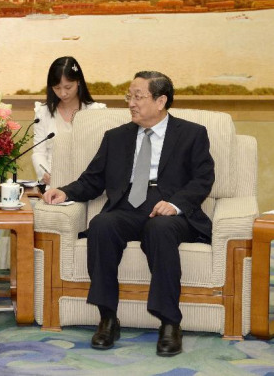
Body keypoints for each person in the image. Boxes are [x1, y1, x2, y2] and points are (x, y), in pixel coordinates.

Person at [43, 71, 215, 357]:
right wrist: (65, 191)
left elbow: (203, 179)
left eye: (138, 96)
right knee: (101, 225)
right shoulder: (116, 137)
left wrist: (175, 204)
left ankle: (170, 322)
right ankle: (108, 317)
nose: (131, 103)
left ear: (161, 101)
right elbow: (93, 180)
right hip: (127, 206)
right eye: (129, 96)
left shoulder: (191, 134)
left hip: (169, 208)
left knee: (160, 230)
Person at [32, 56, 106, 186]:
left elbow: (102, 154)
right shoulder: (43, 112)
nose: (63, 93)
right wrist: (46, 173)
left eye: (68, 87)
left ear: (78, 82)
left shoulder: (97, 111)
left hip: (87, 184)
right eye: (57, 88)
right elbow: (38, 152)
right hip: (53, 184)